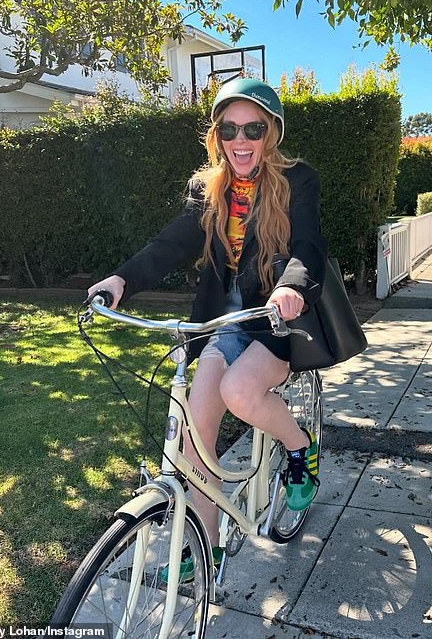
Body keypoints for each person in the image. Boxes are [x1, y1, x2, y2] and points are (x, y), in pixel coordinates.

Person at [88, 77, 327, 576]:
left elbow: (307, 247)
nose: (241, 141)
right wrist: (121, 280)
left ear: (272, 133)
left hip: (273, 319)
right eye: (229, 129)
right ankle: (207, 544)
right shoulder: (209, 187)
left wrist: (292, 289)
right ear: (216, 135)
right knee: (196, 431)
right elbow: (172, 243)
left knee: (242, 392)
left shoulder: (297, 180)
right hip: (227, 318)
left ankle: (299, 447)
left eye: (254, 129)